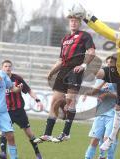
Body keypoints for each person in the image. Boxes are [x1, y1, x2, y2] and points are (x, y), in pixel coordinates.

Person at [76, 3, 120, 150]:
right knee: (97, 72)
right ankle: (78, 75)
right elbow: (102, 30)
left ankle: (111, 139)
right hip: (117, 71)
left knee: (118, 107)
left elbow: (105, 31)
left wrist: (88, 17)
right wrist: (87, 19)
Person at [34, 5, 96, 143]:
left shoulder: (85, 36)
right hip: (63, 71)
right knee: (54, 101)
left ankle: (66, 133)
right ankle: (47, 134)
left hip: (75, 71)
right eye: (71, 21)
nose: (73, 23)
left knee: (70, 101)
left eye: (75, 21)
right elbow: (61, 60)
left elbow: (91, 52)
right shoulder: (65, 39)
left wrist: (83, 65)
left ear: (80, 22)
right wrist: (51, 72)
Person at [83, 56, 120, 159]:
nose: (109, 63)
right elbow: (95, 92)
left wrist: (107, 95)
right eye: (108, 62)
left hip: (112, 114)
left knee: (108, 139)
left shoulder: (119, 78)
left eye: (112, 62)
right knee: (94, 140)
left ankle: (108, 157)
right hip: (100, 113)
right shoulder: (100, 78)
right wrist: (85, 93)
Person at [0, 60, 43, 159]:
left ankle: (37, 153)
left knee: (29, 133)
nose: (8, 68)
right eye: (5, 66)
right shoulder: (0, 78)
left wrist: (38, 100)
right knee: (4, 134)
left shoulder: (17, 78)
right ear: (2, 68)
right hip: (6, 111)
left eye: (9, 66)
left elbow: (28, 90)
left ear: (12, 68)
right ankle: (4, 154)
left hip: (18, 110)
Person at [0, 68, 23, 159]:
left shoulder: (3, 74)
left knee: (10, 136)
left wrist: (18, 89)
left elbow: (12, 88)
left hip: (3, 112)